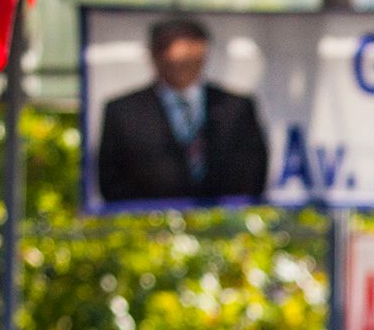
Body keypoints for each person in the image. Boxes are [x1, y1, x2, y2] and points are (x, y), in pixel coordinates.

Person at [97, 17, 270, 205]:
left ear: (203, 52)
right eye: (167, 49)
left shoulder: (236, 107)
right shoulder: (123, 112)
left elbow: (253, 171)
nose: (177, 59)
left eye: (188, 55)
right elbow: (112, 180)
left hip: (224, 224)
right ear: (154, 55)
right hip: (151, 226)